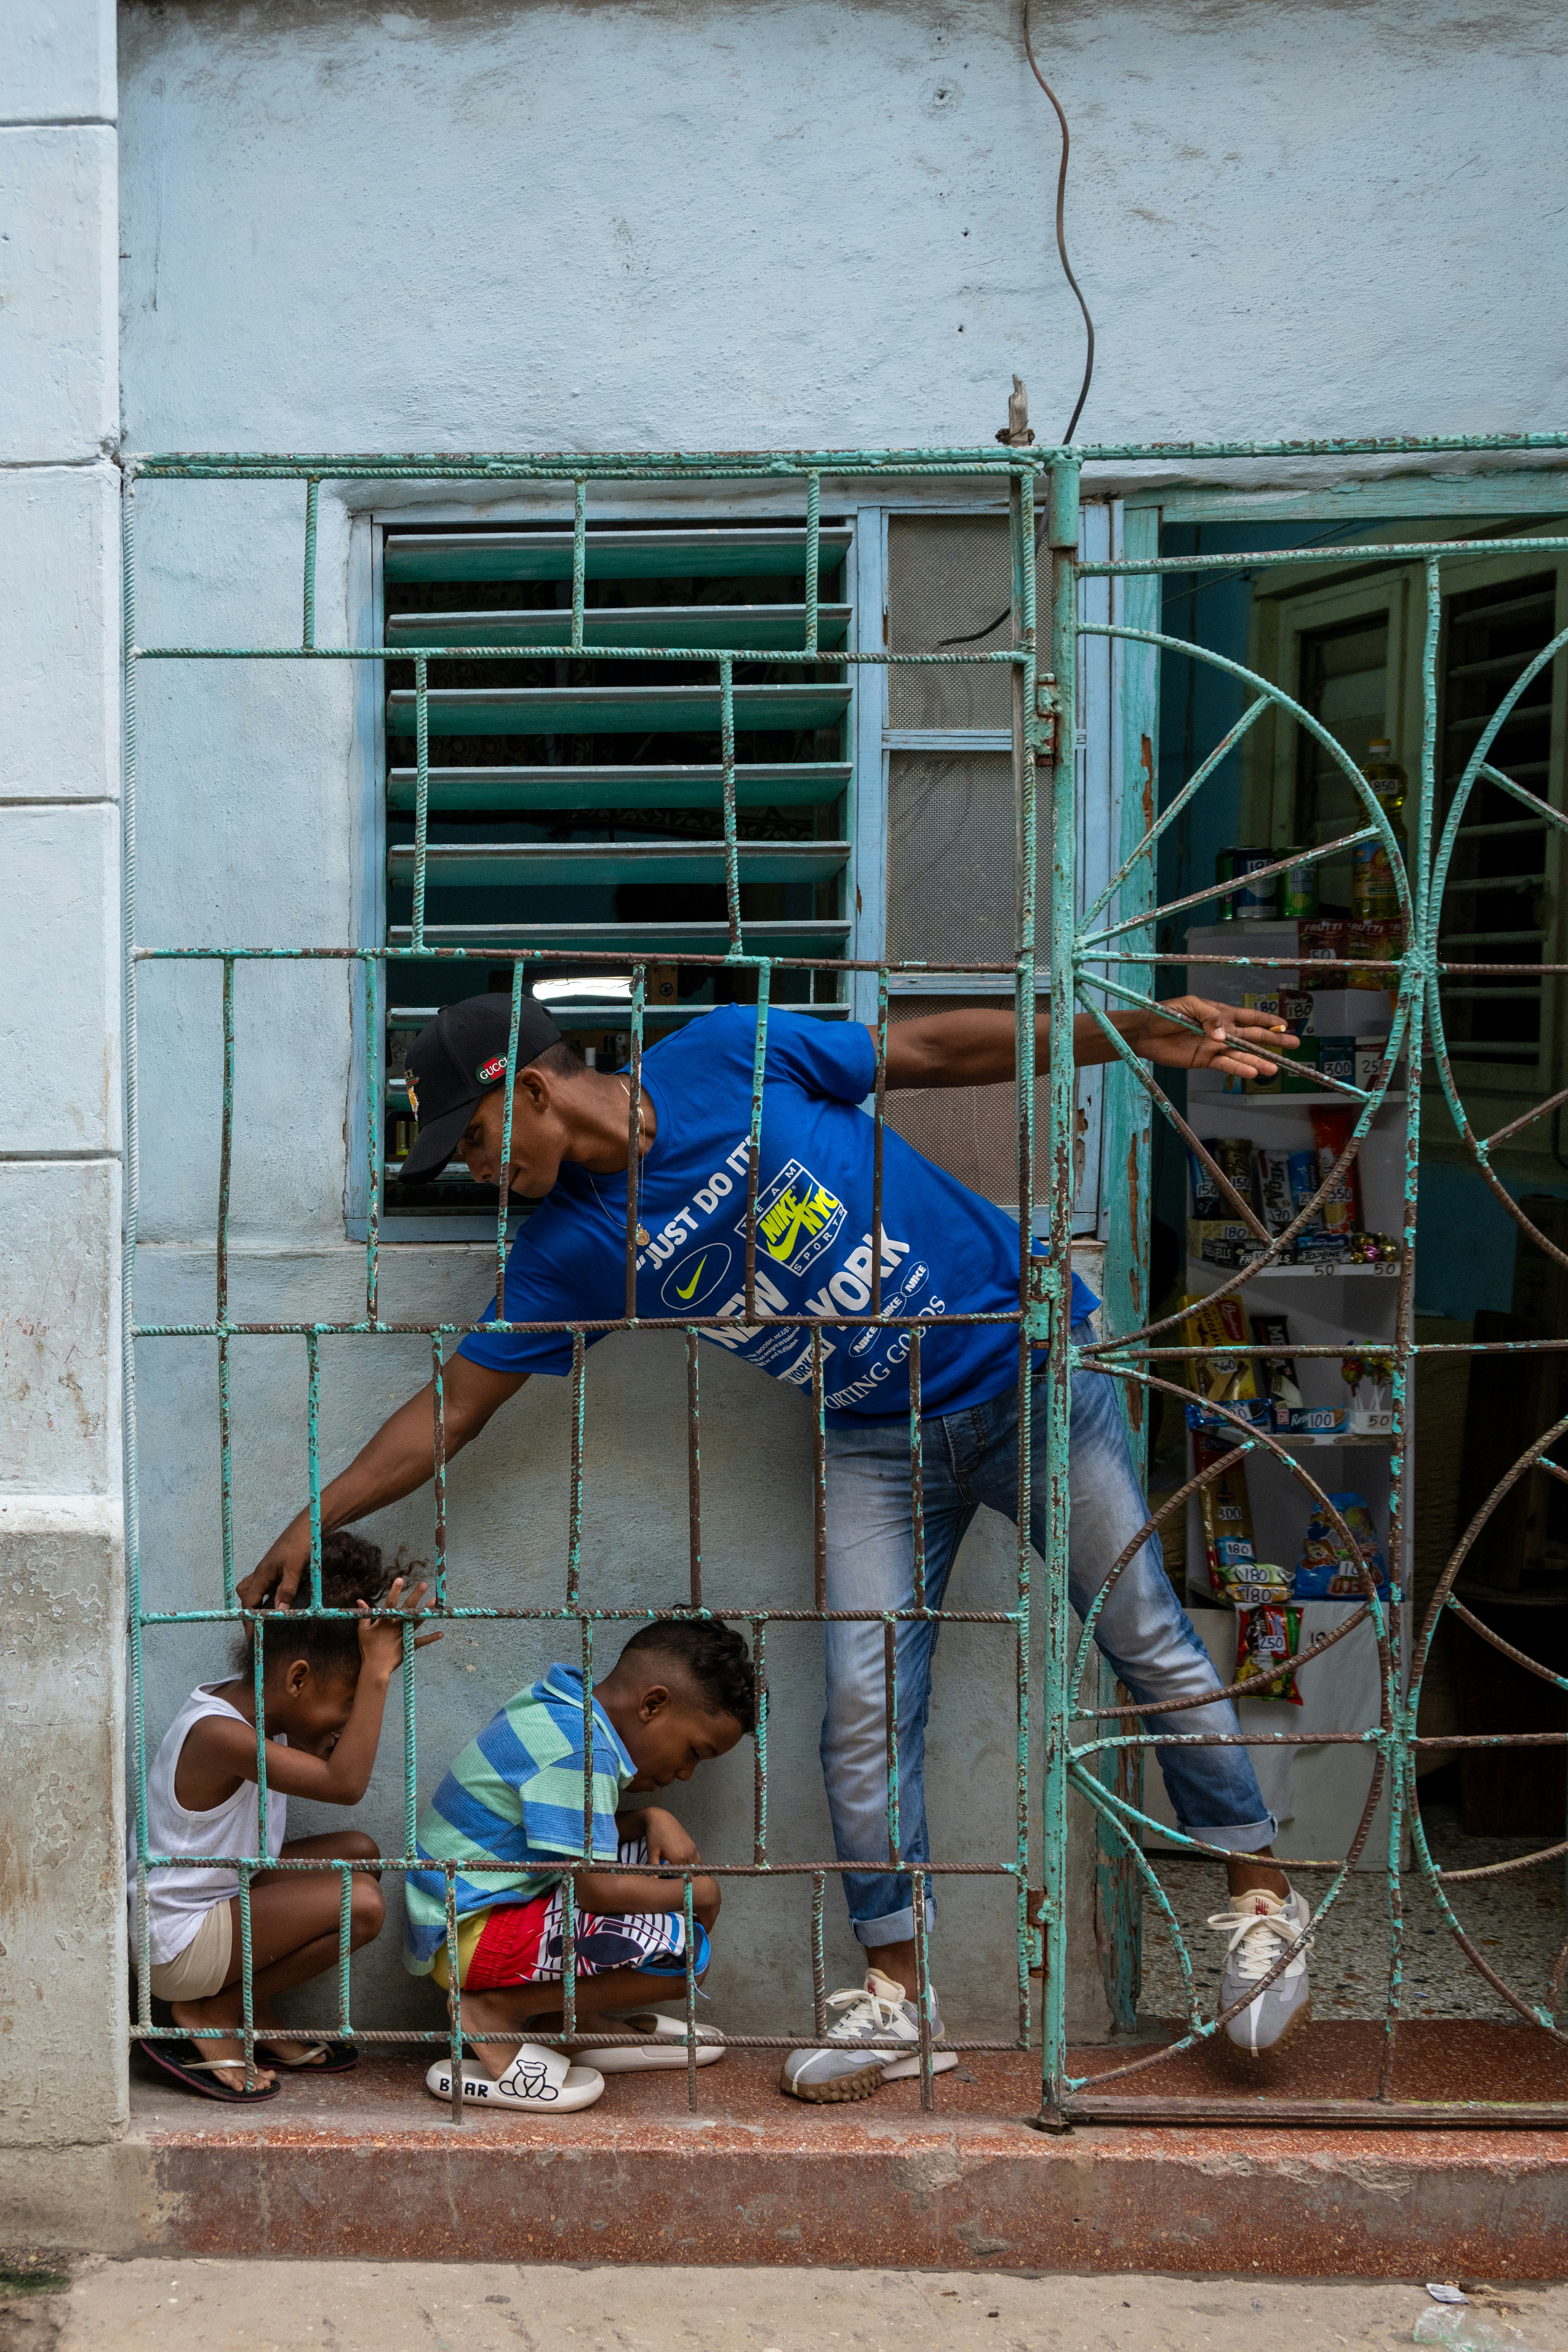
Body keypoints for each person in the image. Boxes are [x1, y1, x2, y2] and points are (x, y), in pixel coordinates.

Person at [241, 987, 1312, 2091]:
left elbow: (928, 1046)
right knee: (861, 1707)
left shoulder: (724, 1054)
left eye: (472, 1136)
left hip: (1029, 1366)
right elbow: (453, 1408)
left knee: (1144, 1629)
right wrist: (316, 1517)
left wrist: (1121, 1031)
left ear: (532, 1085)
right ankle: (898, 1999)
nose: (474, 1170)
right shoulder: (569, 1248)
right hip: (873, 1441)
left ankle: (1261, 1899)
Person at [132, 1532, 441, 2103]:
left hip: (224, 1899)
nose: (349, 1724)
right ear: (297, 1680)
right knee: (363, 1903)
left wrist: (369, 1657)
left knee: (360, 1855)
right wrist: (373, 1673)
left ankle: (245, 2005)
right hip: (178, 1943)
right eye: (346, 1704)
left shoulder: (264, 1693)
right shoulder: (218, 1734)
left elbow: (273, 1638)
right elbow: (343, 1784)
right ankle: (208, 2007)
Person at [406, 1620, 753, 2112]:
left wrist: (654, 1817)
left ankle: (569, 2023)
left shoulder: (563, 1710)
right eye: (694, 1752)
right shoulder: (582, 1753)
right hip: (472, 1936)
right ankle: (492, 2010)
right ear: (652, 1705)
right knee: (685, 1953)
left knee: (656, 1863)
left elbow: (573, 1838)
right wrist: (704, 1893)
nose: (684, 1773)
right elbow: (597, 1894)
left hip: (472, 1912)